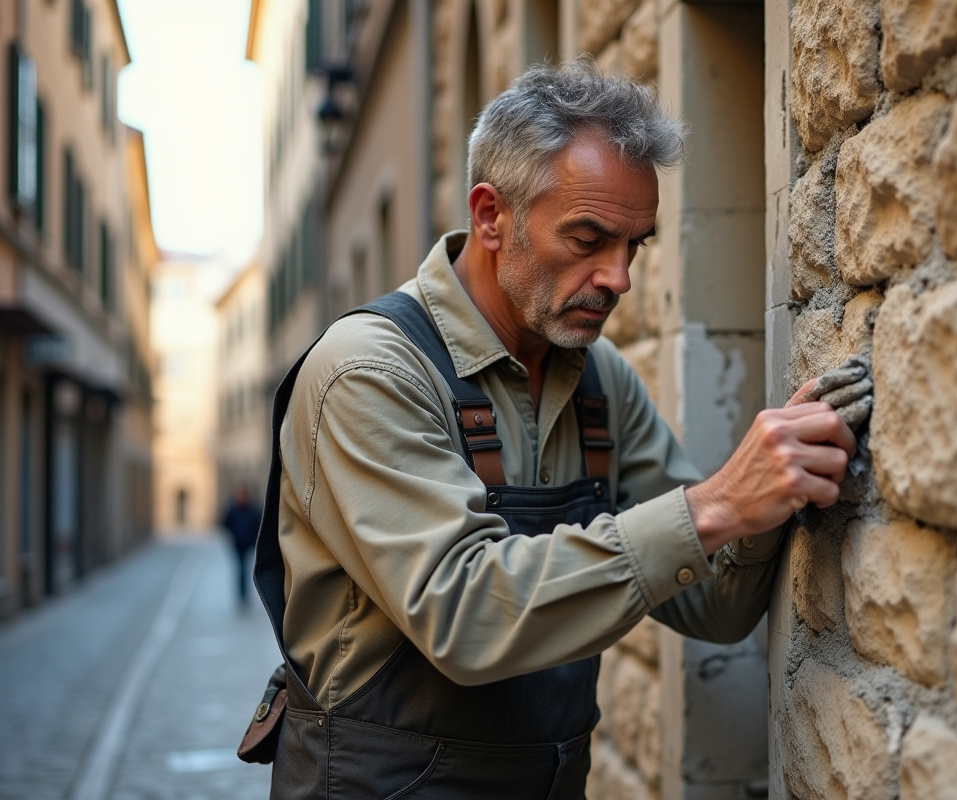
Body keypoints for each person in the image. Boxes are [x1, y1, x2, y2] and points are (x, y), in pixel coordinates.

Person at [252, 61, 855, 799]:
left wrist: (773, 492)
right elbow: (464, 614)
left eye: (634, 245)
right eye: (588, 238)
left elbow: (717, 607)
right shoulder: (367, 372)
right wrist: (716, 505)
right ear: (490, 215)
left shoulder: (602, 385)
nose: (618, 278)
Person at [221, 484, 261, 609]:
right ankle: (242, 595)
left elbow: (259, 524)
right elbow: (226, 523)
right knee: (241, 570)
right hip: (238, 544)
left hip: (249, 543)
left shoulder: (253, 509)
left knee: (248, 569)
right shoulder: (233, 509)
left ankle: (246, 595)